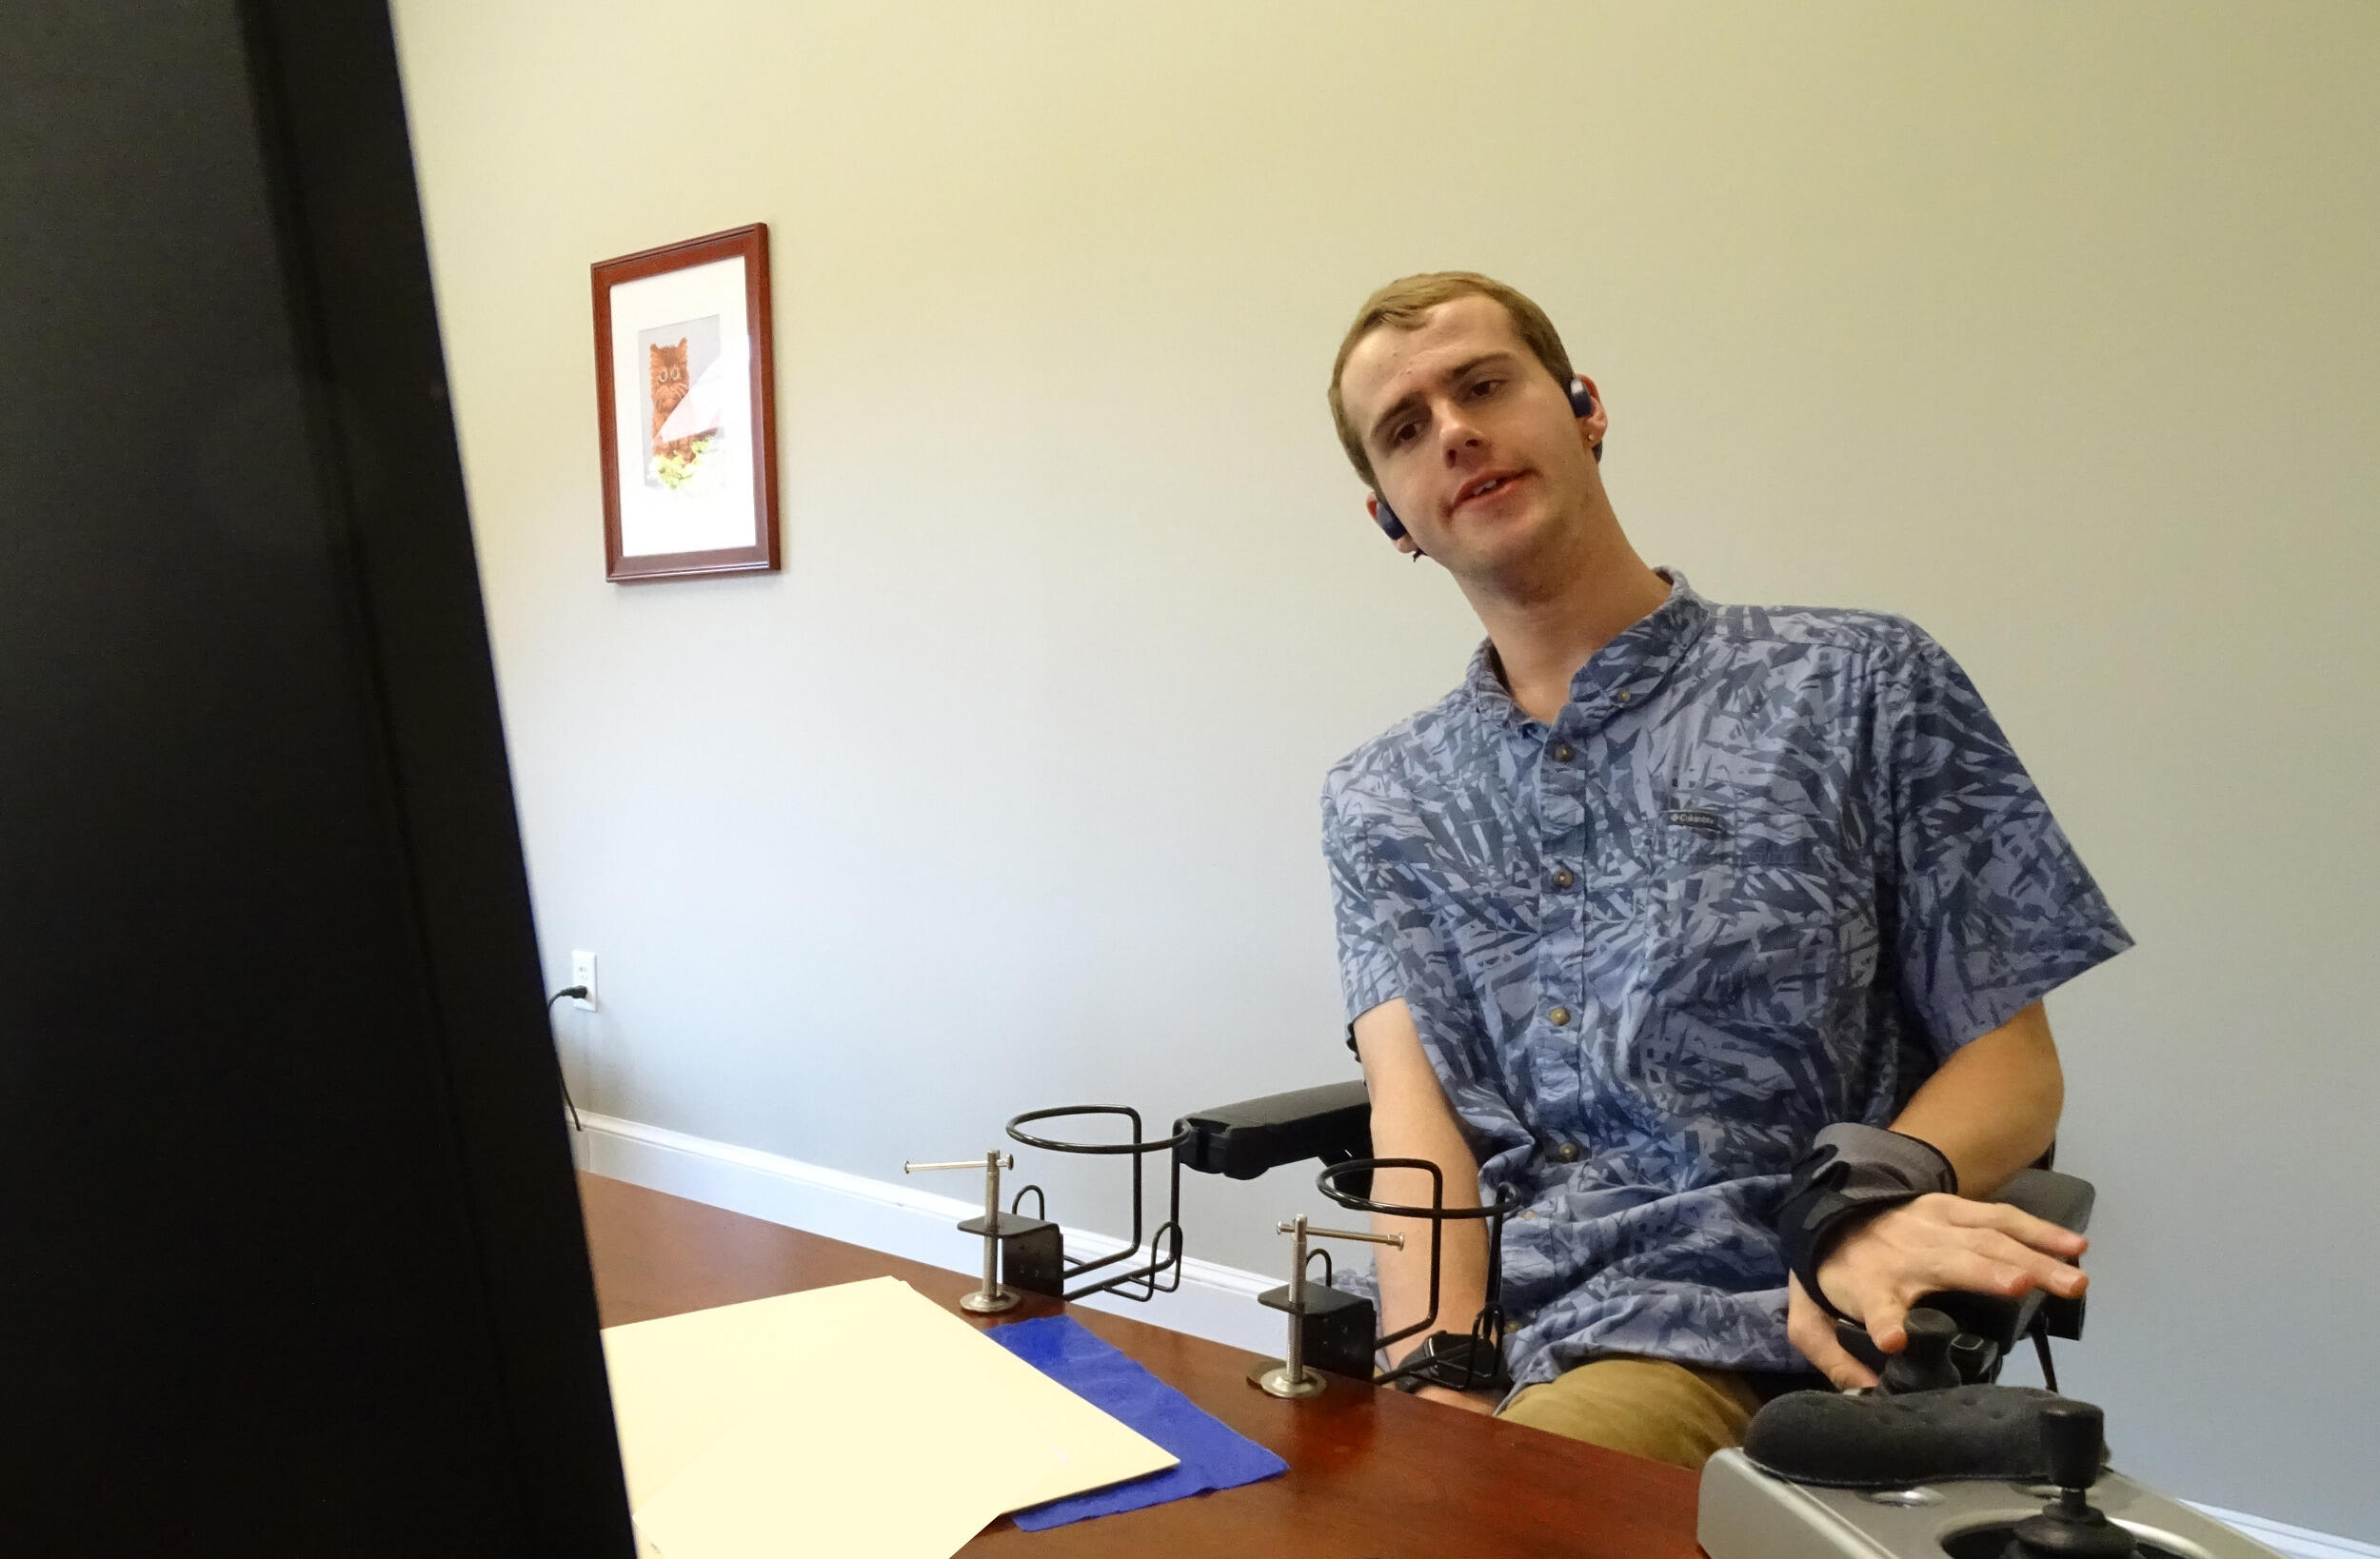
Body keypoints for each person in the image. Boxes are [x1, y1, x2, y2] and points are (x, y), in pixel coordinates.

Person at [1319, 271, 2132, 1470]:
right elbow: (1415, 1128)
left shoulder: (1857, 682)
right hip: (1509, 1338)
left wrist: (1852, 1211)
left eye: (1484, 385)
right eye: (1403, 428)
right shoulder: (1377, 799)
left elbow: (2015, 1069)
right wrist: (1428, 1402)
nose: (1453, 431)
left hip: (1750, 1324)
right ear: (1390, 517)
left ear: (1584, 407)